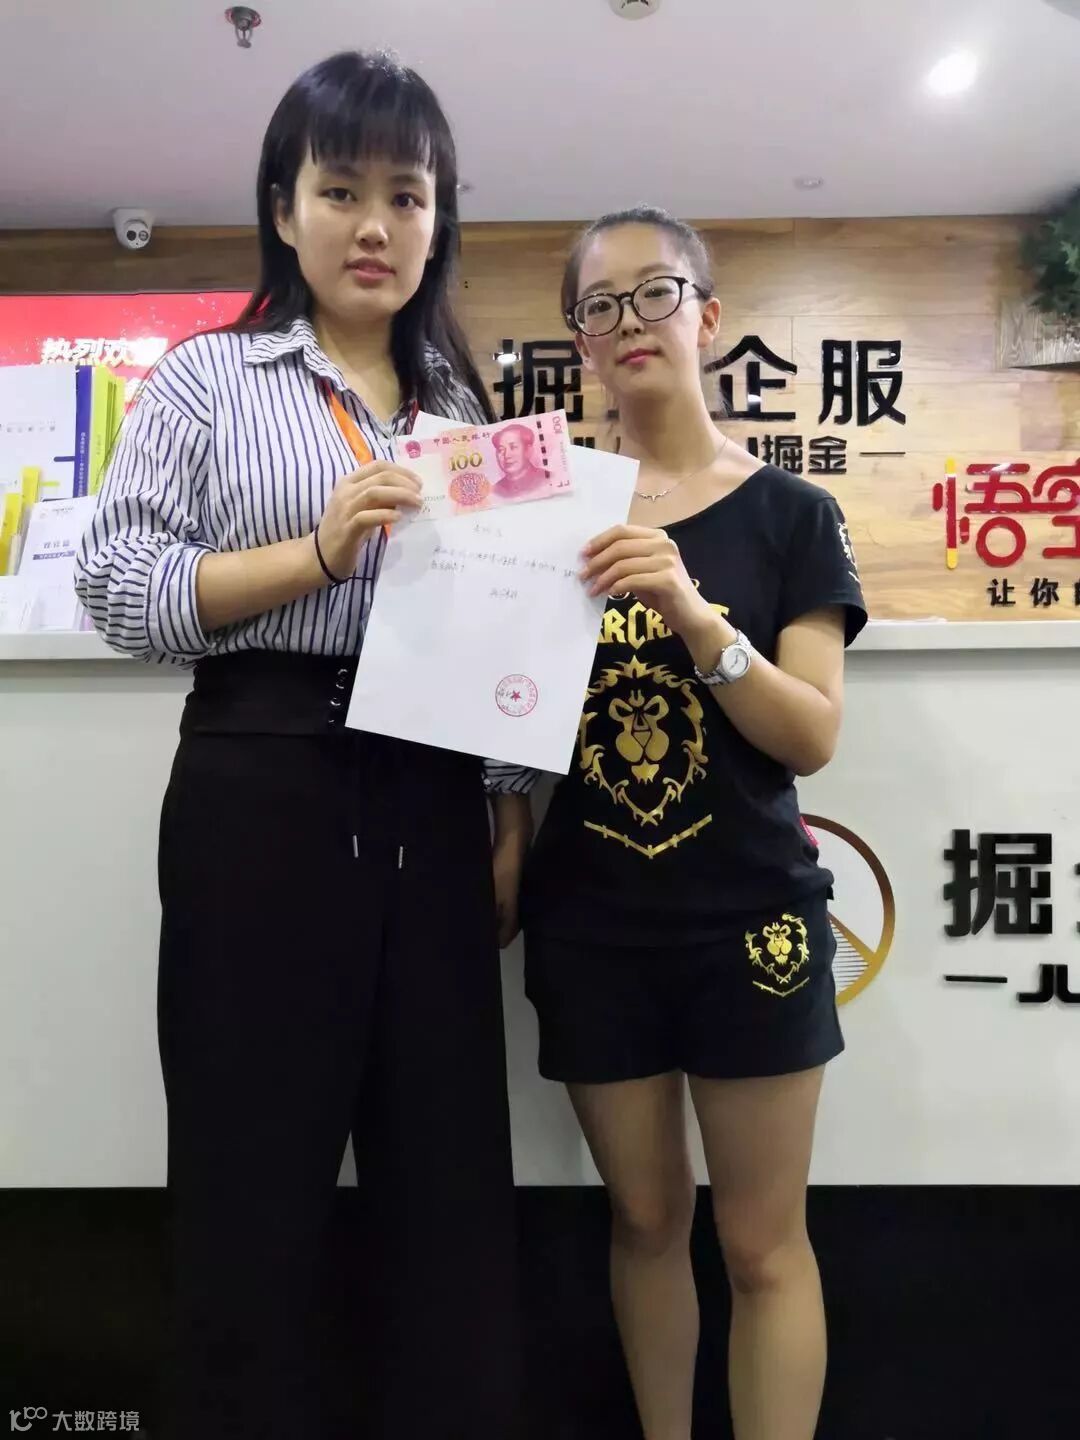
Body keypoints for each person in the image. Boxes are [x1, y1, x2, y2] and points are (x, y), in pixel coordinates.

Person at [75, 50, 533, 1440]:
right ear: (284, 208)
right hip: (262, 785)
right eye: (342, 192)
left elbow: (503, 635)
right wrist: (314, 553)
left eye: (407, 195)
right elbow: (117, 587)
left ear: (440, 218)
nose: (375, 226)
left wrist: (509, 814)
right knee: (249, 1170)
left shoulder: (467, 412)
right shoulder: (209, 381)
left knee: (446, 1176)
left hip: (436, 795)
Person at [518, 207, 867, 1440]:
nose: (630, 321)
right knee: (644, 1221)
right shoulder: (541, 519)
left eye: (655, 292)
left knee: (763, 1244)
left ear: (707, 318)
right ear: (579, 341)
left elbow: (810, 734)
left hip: (749, 920)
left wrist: (691, 607)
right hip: (590, 925)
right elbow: (503, 722)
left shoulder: (791, 515)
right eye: (599, 305)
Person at [492, 421, 551, 497]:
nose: (506, 455)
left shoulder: (548, 479)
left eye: (513, 447)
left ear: (528, 450)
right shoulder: (495, 492)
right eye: (501, 450)